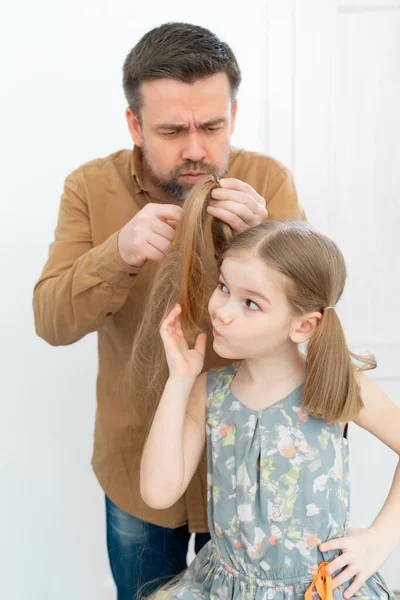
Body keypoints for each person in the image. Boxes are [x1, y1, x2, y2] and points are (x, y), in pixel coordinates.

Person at [33, 22, 306, 599]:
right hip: (136, 466)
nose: (196, 150)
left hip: (247, 474)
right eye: (171, 130)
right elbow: (51, 321)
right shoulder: (88, 188)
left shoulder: (267, 182)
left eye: (212, 126)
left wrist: (269, 240)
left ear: (233, 110)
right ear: (134, 125)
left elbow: (313, 323)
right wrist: (117, 254)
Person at [140, 212, 400, 600]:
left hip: (317, 589)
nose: (222, 310)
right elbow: (158, 493)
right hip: (225, 587)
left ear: (303, 326)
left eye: (251, 303)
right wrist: (178, 380)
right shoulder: (207, 390)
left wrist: (381, 539)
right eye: (224, 287)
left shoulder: (333, 384)